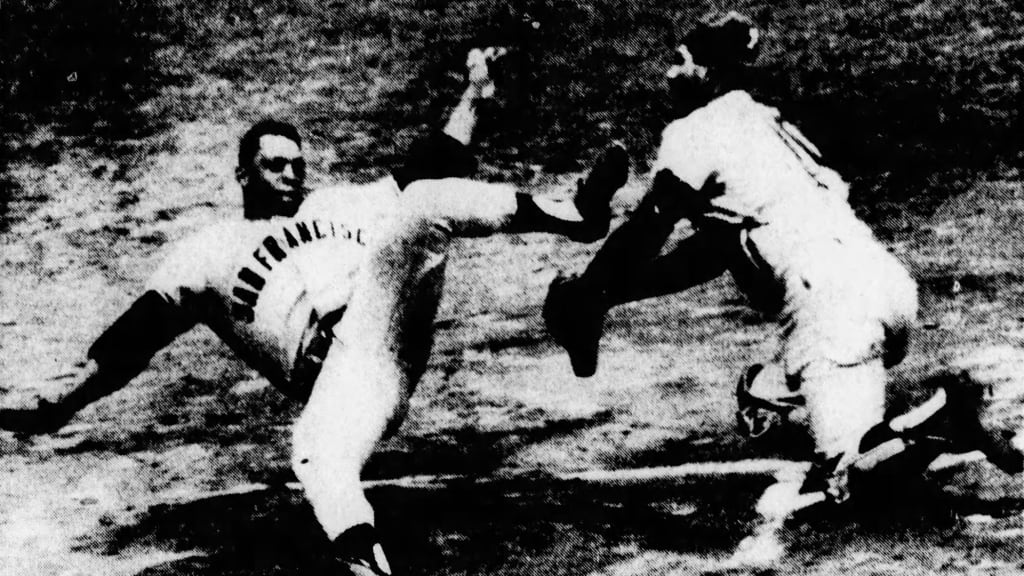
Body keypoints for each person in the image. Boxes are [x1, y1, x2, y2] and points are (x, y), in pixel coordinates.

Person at [0, 47, 629, 575]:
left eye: (298, 166)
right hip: (352, 380)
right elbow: (138, 334)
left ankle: (578, 215)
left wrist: (474, 94)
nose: (291, 175)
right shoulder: (206, 251)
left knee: (421, 203)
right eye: (275, 166)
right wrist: (64, 402)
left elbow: (437, 165)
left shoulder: (340, 203)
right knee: (315, 457)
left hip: (387, 309)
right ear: (243, 174)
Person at [543, 12, 924, 507]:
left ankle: (944, 418)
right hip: (883, 287)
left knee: (851, 482)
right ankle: (773, 388)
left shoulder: (696, 131)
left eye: (679, 62)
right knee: (861, 451)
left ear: (707, 70)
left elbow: (649, 227)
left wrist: (589, 290)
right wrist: (608, 294)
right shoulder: (764, 123)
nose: (669, 75)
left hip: (831, 310)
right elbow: (711, 253)